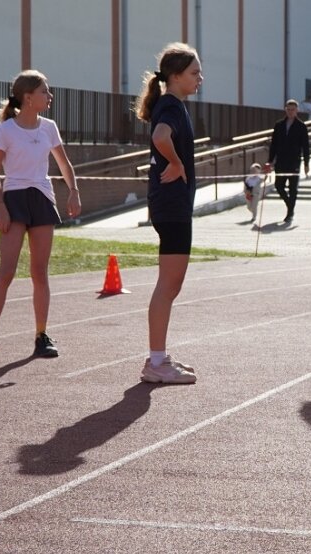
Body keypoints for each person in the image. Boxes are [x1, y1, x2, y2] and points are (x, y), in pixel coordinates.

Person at [0, 70, 82, 360]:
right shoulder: (6, 130)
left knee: (40, 272)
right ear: (28, 97)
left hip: (42, 200)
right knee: (7, 270)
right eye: (45, 91)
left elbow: (64, 163)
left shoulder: (49, 127)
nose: (50, 96)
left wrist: (73, 191)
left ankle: (41, 335)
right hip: (14, 200)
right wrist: (0, 207)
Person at [135, 42, 203, 384]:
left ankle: (158, 358)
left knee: (170, 284)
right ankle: (156, 362)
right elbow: (161, 137)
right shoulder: (171, 107)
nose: (200, 78)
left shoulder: (170, 104)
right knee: (168, 284)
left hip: (170, 205)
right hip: (171, 206)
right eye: (194, 73)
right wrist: (176, 163)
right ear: (175, 76)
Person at [266, 99, 310, 223]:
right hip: (281, 161)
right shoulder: (279, 125)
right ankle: (289, 206)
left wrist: (306, 163)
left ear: (297, 110)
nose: (290, 112)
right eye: (288, 109)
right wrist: (270, 161)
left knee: (293, 189)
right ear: (285, 109)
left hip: (294, 162)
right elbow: (273, 145)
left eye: (293, 110)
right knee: (278, 186)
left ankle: (290, 213)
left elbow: (305, 146)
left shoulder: (301, 126)